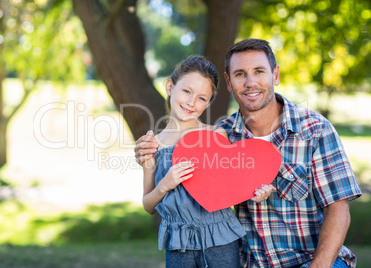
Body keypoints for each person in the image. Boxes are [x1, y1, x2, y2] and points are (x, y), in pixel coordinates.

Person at [135, 39, 362, 268]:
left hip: (311, 261)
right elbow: (208, 184)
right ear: (229, 82)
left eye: (259, 71)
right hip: (249, 262)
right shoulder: (225, 134)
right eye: (240, 74)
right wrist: (152, 161)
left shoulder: (315, 130)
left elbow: (339, 208)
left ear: (275, 75)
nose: (251, 82)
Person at [142, 55, 275, 268]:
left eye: (202, 98)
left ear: (208, 103)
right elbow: (148, 204)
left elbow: (235, 184)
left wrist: (258, 191)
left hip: (221, 240)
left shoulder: (215, 136)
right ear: (170, 87)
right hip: (178, 244)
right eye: (186, 91)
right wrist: (164, 185)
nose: (191, 102)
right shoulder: (152, 146)